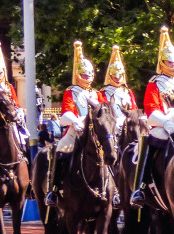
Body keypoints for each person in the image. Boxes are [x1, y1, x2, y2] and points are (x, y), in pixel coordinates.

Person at [130, 27, 174, 208]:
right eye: (168, 61)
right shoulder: (155, 82)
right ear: (162, 62)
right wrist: (165, 122)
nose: (173, 64)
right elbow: (151, 109)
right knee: (155, 137)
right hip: (163, 122)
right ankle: (140, 185)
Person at [46, 41, 105, 207]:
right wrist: (75, 121)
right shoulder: (71, 91)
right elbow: (66, 112)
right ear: (79, 75)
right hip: (76, 131)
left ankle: (114, 190)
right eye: (85, 75)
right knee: (61, 149)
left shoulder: (97, 94)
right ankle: (55, 189)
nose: (88, 77)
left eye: (90, 74)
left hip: (95, 134)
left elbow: (104, 112)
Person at [99, 44, 139, 208]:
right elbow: (102, 114)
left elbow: (134, 110)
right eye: (114, 74)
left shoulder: (127, 92)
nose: (117, 77)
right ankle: (54, 188)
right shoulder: (102, 93)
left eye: (120, 74)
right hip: (111, 131)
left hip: (127, 129)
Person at [0, 41, 30, 156]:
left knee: (22, 141)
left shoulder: (9, 87)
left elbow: (16, 104)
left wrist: (19, 113)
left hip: (8, 121)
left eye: (0, 71)